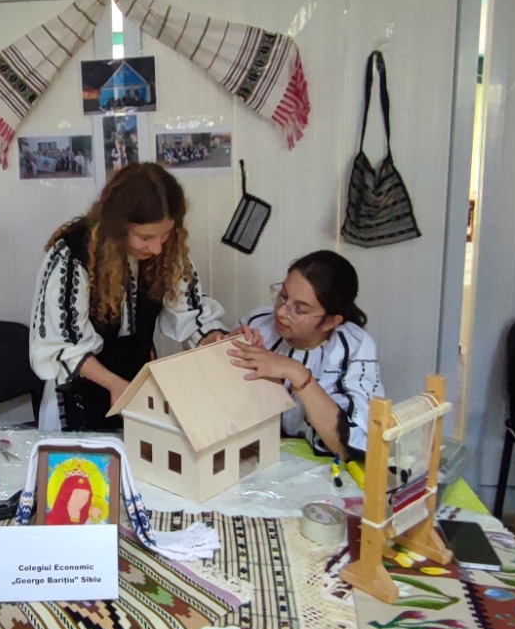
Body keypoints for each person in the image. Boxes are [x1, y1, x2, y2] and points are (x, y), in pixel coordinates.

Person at [30, 162, 229, 431]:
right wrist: (114, 384)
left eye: (165, 234)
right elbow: (63, 344)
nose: (156, 248)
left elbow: (190, 312)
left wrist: (214, 339)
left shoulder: (166, 252)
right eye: (145, 237)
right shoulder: (73, 256)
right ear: (118, 226)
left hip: (135, 386)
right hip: (79, 393)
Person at [227, 250, 382, 460]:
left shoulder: (355, 347)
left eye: (300, 310)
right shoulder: (258, 322)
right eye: (283, 297)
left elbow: (353, 445)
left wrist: (295, 371)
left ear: (330, 322)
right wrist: (226, 348)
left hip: (321, 463)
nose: (281, 312)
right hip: (257, 452)